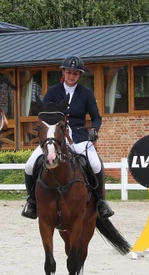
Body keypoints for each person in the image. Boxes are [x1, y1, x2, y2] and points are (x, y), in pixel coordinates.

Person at [21, 55, 113, 220]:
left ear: (79, 75)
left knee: (95, 164)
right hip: (54, 137)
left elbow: (97, 117)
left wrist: (94, 129)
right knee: (29, 165)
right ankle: (32, 202)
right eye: (69, 72)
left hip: (79, 136)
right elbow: (43, 114)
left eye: (75, 73)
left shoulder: (86, 93)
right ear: (64, 72)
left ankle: (101, 202)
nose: (71, 76)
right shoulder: (53, 92)